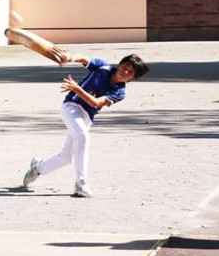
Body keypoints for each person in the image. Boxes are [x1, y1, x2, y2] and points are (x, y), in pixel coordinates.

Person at [22, 52, 149, 198]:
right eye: (125, 66)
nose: (125, 71)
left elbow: (95, 103)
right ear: (120, 64)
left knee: (67, 157)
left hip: (86, 116)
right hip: (71, 106)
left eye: (130, 71)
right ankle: (81, 184)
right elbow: (84, 59)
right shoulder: (103, 67)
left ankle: (37, 169)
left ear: (132, 78)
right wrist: (69, 58)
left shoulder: (120, 92)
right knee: (82, 137)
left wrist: (77, 88)